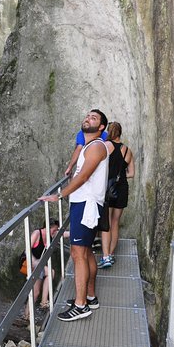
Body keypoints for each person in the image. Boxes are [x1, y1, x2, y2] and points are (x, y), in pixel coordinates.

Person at [39, 109, 113, 322]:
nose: (88, 118)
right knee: (86, 252)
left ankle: (81, 306)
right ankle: (90, 297)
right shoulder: (88, 146)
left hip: (86, 205)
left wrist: (59, 195)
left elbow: (83, 177)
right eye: (88, 116)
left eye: (94, 118)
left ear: (101, 128)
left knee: (78, 254)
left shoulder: (97, 146)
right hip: (84, 204)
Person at [99, 122, 135, 268]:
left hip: (106, 189)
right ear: (120, 132)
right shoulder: (127, 150)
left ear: (109, 131)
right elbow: (131, 173)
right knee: (115, 222)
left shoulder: (105, 146)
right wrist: (121, 174)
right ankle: (112, 254)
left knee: (105, 224)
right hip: (121, 189)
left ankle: (106, 256)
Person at [25, 219, 60, 316]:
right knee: (35, 292)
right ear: (48, 227)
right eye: (54, 229)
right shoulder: (37, 233)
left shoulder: (51, 235)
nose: (55, 232)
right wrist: (34, 261)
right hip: (28, 263)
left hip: (38, 265)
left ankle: (44, 302)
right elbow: (26, 250)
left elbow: (63, 233)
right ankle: (27, 315)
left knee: (50, 272)